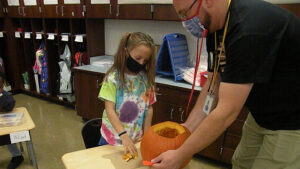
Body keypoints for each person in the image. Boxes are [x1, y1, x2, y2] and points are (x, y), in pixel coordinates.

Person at [151, 0, 300, 169]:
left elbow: (226, 112)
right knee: (241, 163)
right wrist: (187, 129)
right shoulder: (215, 28)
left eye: (185, 13)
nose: (185, 22)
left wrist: (181, 154)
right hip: (261, 114)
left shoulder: (248, 29)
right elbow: (212, 84)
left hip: (291, 121)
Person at [98, 32, 157, 156]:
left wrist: (147, 134)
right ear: (126, 52)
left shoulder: (146, 79)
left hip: (135, 139)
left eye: (145, 61)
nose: (141, 63)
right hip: (113, 139)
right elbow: (109, 110)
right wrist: (123, 136)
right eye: (137, 58)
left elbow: (149, 107)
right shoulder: (113, 78)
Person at [0, 73, 24, 169]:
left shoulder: (5, 95)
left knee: (7, 133)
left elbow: (10, 105)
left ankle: (17, 155)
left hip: (5, 123)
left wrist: (0, 95)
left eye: (0, 84)